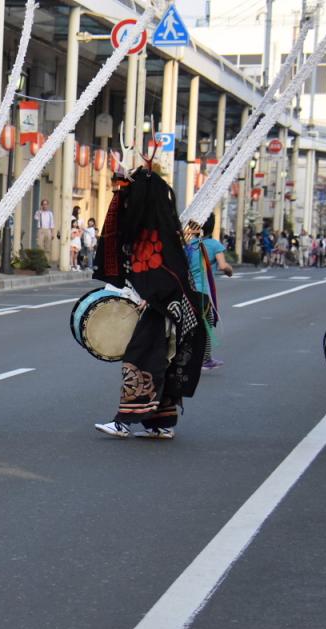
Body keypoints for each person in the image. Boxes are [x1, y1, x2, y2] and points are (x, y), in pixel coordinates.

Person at [92, 167, 206, 440]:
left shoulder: (155, 234)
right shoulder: (160, 229)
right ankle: (161, 422)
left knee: (141, 359)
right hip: (168, 306)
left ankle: (124, 422)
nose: (125, 203)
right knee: (161, 361)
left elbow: (164, 275)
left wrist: (150, 297)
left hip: (164, 307)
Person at [185, 214, 233, 371]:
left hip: (187, 291)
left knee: (190, 324)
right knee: (207, 323)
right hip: (202, 292)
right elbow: (222, 266)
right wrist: (230, 270)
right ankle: (205, 359)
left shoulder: (189, 245)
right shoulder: (213, 245)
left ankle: (186, 356)